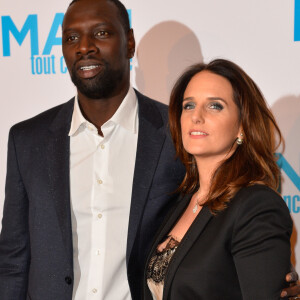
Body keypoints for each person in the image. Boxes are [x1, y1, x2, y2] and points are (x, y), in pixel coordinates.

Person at [0, 0, 298, 299]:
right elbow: (14, 259)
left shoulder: (178, 137)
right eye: (71, 38)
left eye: (101, 33)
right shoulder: (28, 141)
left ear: (129, 43)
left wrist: (271, 280)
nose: (84, 47)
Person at [145, 59, 294, 300]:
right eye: (188, 105)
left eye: (215, 106)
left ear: (241, 126)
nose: (196, 116)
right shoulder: (184, 201)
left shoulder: (256, 206)